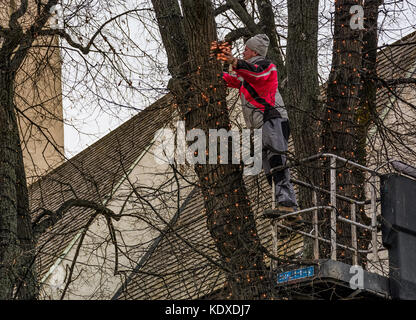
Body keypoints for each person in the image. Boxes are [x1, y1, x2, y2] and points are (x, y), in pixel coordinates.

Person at [216, 34, 298, 213]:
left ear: (254, 51)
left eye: (246, 49)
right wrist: (214, 74)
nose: (243, 52)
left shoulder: (267, 67)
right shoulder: (247, 73)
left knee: (277, 161)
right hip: (261, 125)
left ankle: (288, 204)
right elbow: (234, 79)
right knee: (268, 167)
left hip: (273, 119)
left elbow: (256, 75)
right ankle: (285, 207)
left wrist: (234, 61)